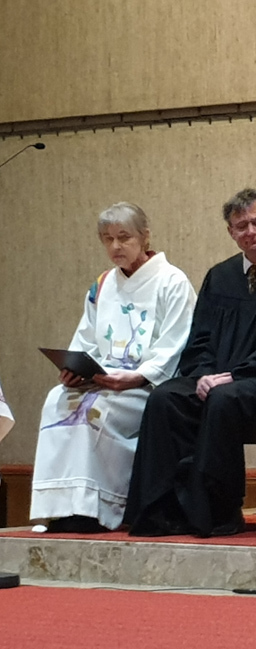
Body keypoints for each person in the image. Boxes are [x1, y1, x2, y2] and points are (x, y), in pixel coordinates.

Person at [124, 188, 256, 537]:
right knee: (165, 398)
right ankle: (164, 511)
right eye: (241, 226)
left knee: (223, 398)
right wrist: (204, 374)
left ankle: (216, 512)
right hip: (217, 378)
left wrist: (235, 375)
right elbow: (199, 338)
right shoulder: (220, 276)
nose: (251, 231)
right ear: (231, 232)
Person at [30, 203, 196, 532]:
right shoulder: (103, 284)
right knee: (57, 401)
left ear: (145, 236)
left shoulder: (172, 281)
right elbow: (86, 339)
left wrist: (138, 377)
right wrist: (76, 368)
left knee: (96, 411)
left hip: (145, 386)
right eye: (107, 239)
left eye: (124, 237)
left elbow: (176, 342)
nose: (116, 246)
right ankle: (62, 508)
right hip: (104, 378)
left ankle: (96, 509)